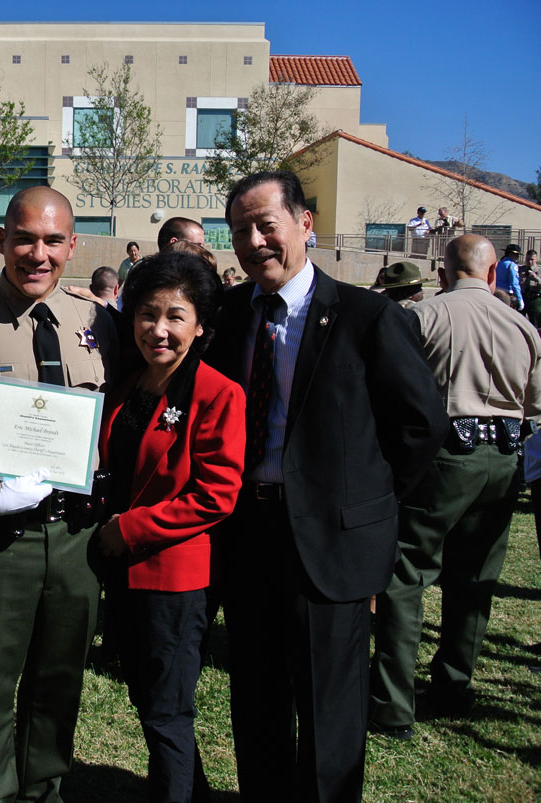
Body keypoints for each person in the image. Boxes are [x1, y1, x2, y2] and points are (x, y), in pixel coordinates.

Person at [204, 170, 447, 802]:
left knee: (329, 714)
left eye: (266, 224)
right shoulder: (228, 317)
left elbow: (419, 426)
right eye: (240, 231)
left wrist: (366, 501)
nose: (255, 241)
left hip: (333, 548)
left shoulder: (366, 317)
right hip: (247, 535)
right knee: (255, 701)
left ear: (304, 223)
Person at [0, 186, 116, 802]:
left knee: (60, 675)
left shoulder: (99, 323)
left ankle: (43, 787)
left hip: (75, 536)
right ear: (1, 240)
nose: (37, 254)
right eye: (24, 239)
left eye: (52, 241)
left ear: (73, 245)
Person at [369, 234, 541, 737]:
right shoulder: (525, 327)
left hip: (445, 454)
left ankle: (393, 705)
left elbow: (394, 388)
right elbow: (534, 404)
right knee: (475, 578)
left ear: (442, 275)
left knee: (405, 576)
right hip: (504, 458)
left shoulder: (424, 317)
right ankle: (452, 685)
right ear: (492, 275)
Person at [97, 251, 244, 803]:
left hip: (173, 580)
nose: (157, 329)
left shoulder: (218, 393)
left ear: (201, 324)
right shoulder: (129, 384)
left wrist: (129, 529)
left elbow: (216, 495)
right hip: (123, 574)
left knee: (166, 711)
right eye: (147, 313)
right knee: (148, 700)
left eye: (175, 316)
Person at [496, 243, 524, 311]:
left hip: (496, 292)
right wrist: (520, 299)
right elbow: (514, 284)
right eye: (516, 255)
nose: (517, 257)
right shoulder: (512, 265)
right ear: (511, 254)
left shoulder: (499, 263)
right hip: (507, 295)